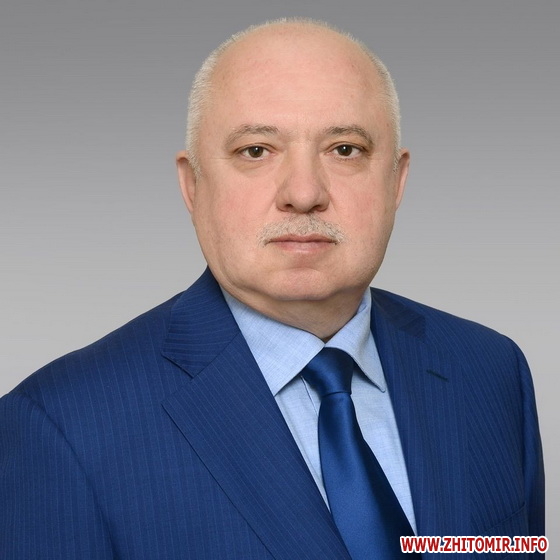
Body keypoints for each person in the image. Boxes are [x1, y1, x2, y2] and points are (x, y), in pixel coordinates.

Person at [0, 18, 544, 559]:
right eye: (256, 151)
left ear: (396, 182)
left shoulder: (491, 370)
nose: (304, 193)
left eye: (345, 149)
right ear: (192, 185)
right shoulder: (59, 426)